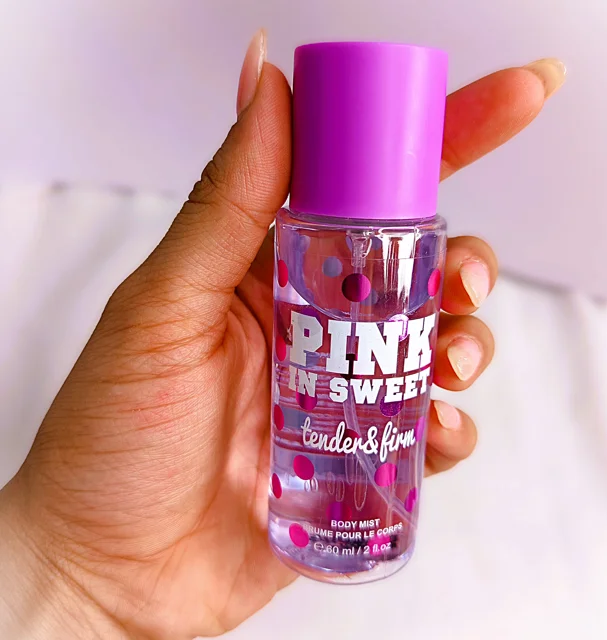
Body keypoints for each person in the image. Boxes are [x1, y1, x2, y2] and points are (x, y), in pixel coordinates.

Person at [0, 30, 564, 640]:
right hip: (223, 526)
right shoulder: (302, 232)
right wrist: (67, 570)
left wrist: (68, 585)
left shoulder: (418, 237)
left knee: (405, 366)